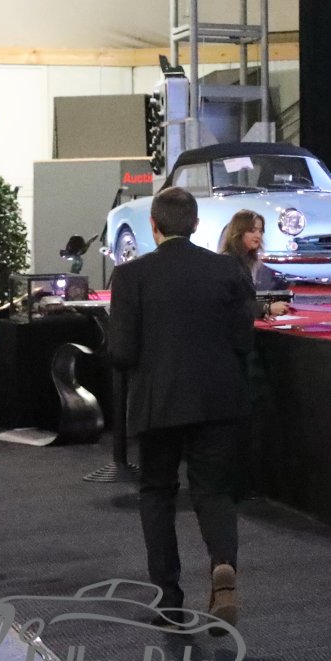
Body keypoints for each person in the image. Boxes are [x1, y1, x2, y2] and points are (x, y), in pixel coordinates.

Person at [108, 186, 254, 629]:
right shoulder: (227, 269)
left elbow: (121, 352)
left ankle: (168, 601)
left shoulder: (130, 276)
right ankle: (222, 564)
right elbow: (243, 339)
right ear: (196, 224)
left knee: (157, 493)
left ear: (153, 225)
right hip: (218, 399)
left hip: (158, 403)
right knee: (214, 491)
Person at [221, 210, 292, 319]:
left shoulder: (247, 261)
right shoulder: (227, 262)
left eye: (260, 231)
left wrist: (261, 313)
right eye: (252, 230)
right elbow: (232, 304)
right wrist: (266, 308)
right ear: (239, 232)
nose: (258, 235)